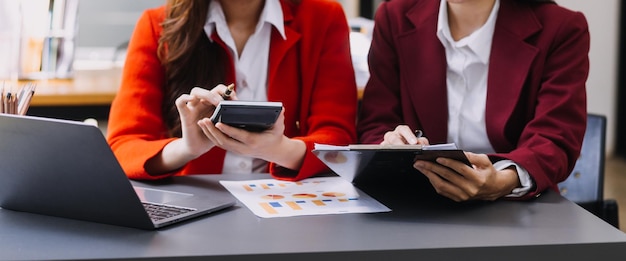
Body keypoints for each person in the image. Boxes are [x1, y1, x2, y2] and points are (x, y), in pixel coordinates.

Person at [357, 0, 589, 201]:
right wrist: (389, 145)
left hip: (515, 206)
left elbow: (555, 137)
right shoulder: (394, 18)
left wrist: (504, 178)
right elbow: (376, 123)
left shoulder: (561, 29)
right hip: (415, 203)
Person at [107, 0, 357, 181]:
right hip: (195, 205)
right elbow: (123, 148)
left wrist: (278, 149)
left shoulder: (324, 17)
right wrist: (187, 148)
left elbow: (338, 140)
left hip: (287, 203)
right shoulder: (158, 26)